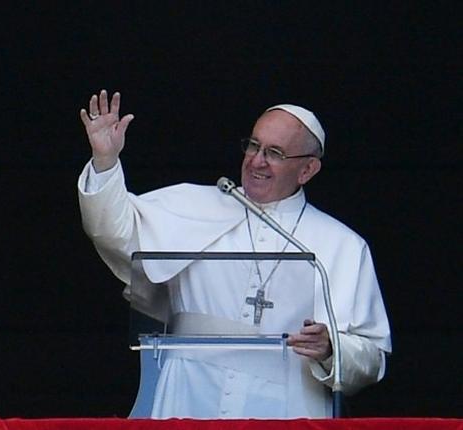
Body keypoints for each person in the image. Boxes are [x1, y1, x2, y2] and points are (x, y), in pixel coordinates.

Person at [76, 90, 392, 418]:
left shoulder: (342, 245)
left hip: (287, 409)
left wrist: (330, 348)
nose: (257, 160)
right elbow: (113, 232)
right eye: (254, 145)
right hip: (188, 396)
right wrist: (105, 162)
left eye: (275, 153)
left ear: (307, 170)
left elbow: (372, 357)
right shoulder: (193, 206)